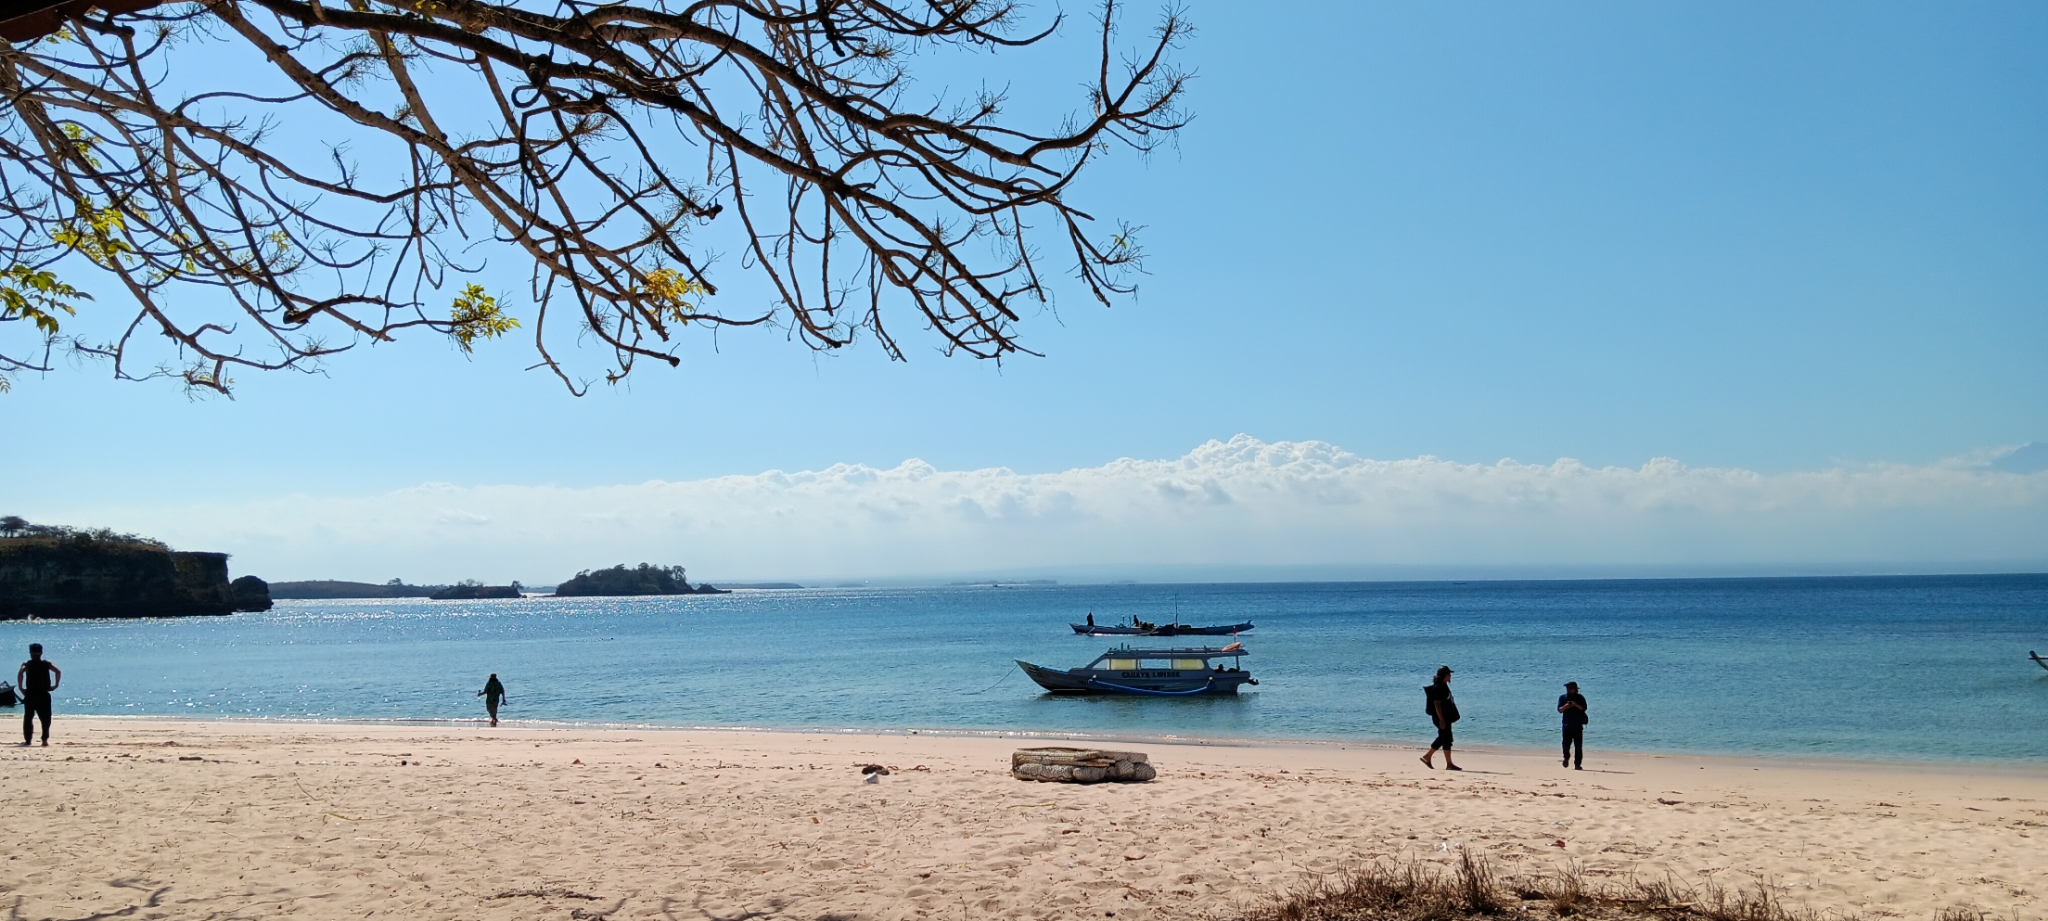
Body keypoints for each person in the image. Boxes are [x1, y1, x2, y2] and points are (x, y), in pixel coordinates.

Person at [18, 643, 60, 747]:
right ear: (41, 653)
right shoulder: (46, 664)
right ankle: (44, 740)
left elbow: (21, 673)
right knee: (46, 718)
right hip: (43, 693)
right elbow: (58, 671)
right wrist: (55, 685)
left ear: (30, 653)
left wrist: (21, 687)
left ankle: (28, 740)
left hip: (31, 694)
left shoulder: (27, 664)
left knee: (28, 718)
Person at [1420, 665, 1460, 770]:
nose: (1450, 676)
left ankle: (1428, 757)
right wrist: (1442, 720)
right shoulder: (1439, 687)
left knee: (1443, 738)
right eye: (1449, 674)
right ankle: (1449, 764)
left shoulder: (1443, 685)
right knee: (1447, 739)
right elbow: (1437, 704)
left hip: (1445, 717)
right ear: (1445, 675)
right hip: (1441, 718)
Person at [1558, 681, 1588, 769]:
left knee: (1578, 746)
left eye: (1570, 688)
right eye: (1567, 688)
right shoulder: (1563, 698)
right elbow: (1560, 710)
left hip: (1577, 726)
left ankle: (1577, 764)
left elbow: (1583, 708)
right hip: (1566, 725)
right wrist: (1566, 706)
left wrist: (1575, 704)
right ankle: (1566, 758)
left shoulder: (1580, 698)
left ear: (1575, 689)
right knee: (1565, 745)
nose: (1568, 690)